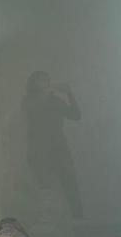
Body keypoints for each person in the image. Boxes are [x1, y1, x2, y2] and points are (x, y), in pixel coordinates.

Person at [25, 71, 83, 217]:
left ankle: (77, 218)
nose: (45, 84)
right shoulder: (28, 101)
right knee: (45, 187)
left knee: (69, 182)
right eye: (41, 81)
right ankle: (48, 220)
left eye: (47, 81)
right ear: (33, 84)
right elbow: (30, 114)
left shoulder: (54, 101)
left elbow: (76, 115)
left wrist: (69, 93)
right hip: (39, 149)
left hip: (59, 146)